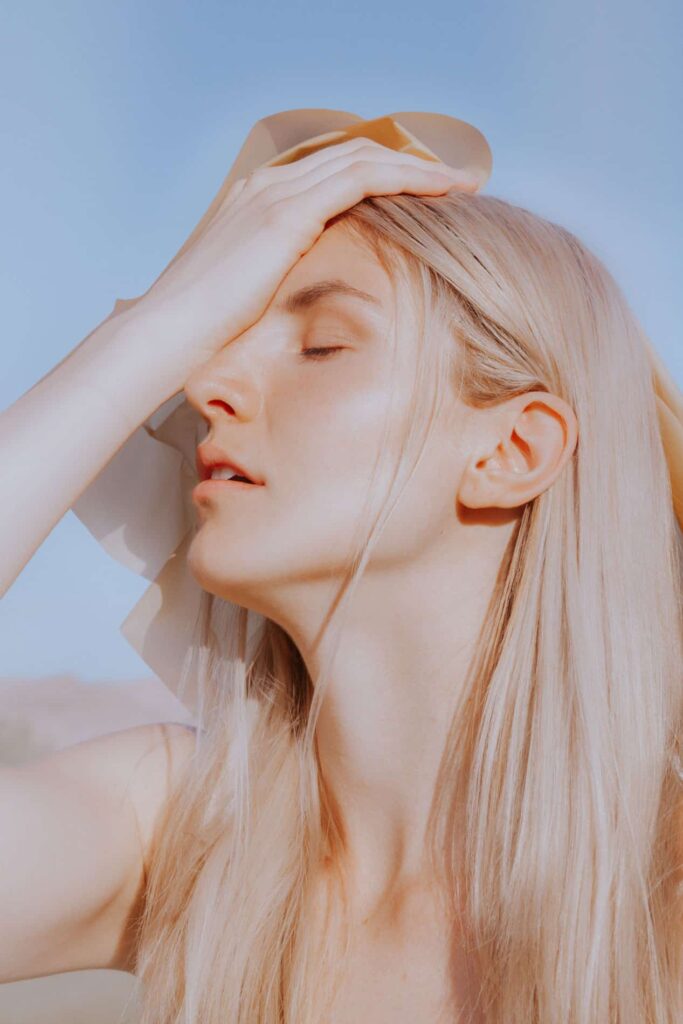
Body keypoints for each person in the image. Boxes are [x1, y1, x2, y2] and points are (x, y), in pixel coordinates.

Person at [0, 131, 681, 1024]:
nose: (206, 384)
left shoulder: (661, 899)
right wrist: (157, 324)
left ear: (512, 450)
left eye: (322, 345)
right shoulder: (180, 838)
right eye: (217, 339)